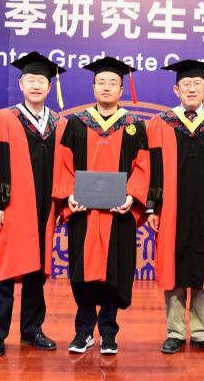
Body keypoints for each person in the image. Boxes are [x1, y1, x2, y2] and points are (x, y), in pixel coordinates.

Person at [53, 57, 149, 355]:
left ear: (122, 89)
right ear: (93, 87)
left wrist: (132, 196)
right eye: (101, 82)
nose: (107, 87)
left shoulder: (134, 126)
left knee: (114, 273)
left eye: (113, 83)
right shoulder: (77, 124)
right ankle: (83, 332)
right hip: (84, 212)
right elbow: (63, 164)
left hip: (118, 214)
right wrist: (69, 194)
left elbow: (143, 167)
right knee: (82, 272)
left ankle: (108, 332)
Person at [0, 51, 67, 357]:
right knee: (5, 271)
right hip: (13, 206)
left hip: (45, 209)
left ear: (50, 87)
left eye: (42, 80)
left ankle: (32, 330)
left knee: (36, 272)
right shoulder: (5, 118)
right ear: (21, 84)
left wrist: (62, 207)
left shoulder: (59, 124)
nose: (37, 85)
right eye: (31, 79)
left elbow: (65, 168)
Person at [146, 59, 204, 355]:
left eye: (197, 84)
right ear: (176, 89)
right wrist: (152, 207)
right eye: (186, 84)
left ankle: (202, 333)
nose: (191, 89)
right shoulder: (161, 123)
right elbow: (153, 168)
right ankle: (174, 331)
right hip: (171, 210)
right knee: (173, 270)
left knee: (203, 267)